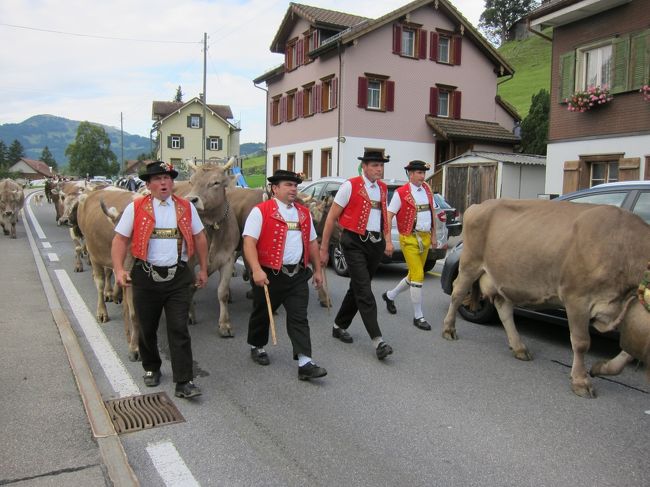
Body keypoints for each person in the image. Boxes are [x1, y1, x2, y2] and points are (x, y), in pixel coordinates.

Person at [111, 161, 208, 399]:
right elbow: (120, 240)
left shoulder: (187, 207)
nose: (163, 182)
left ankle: (184, 381)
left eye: (167, 178)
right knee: (146, 327)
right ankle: (151, 367)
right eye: (157, 179)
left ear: (172, 183)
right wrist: (118, 270)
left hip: (178, 275)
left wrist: (203, 269)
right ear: (148, 184)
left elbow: (200, 237)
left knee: (178, 327)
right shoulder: (136, 208)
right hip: (145, 275)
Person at [243, 169, 327, 381]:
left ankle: (305, 362)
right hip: (270, 274)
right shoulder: (260, 211)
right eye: (288, 185)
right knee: (262, 312)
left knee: (299, 317)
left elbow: (311, 243)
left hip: (297, 274)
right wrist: (256, 269)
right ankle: (257, 344)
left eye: (295, 185)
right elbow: (249, 242)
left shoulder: (303, 213)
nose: (293, 189)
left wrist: (317, 270)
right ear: (275, 188)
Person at [319, 150, 394, 360]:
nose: (380, 169)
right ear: (365, 167)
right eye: (375, 165)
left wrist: (387, 240)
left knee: (357, 288)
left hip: (375, 244)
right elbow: (331, 218)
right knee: (364, 290)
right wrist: (324, 249)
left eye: (381, 165)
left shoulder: (382, 188)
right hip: (353, 243)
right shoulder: (350, 186)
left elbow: (384, 219)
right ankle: (378, 340)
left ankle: (338, 325)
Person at [382, 160, 436, 330]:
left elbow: (432, 212)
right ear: (410, 174)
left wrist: (434, 235)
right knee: (418, 275)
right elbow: (388, 216)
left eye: (423, 173)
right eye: (419, 173)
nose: (422, 176)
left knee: (413, 275)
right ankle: (418, 316)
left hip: (425, 237)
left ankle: (390, 296)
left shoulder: (427, 190)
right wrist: (389, 241)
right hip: (409, 239)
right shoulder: (400, 193)